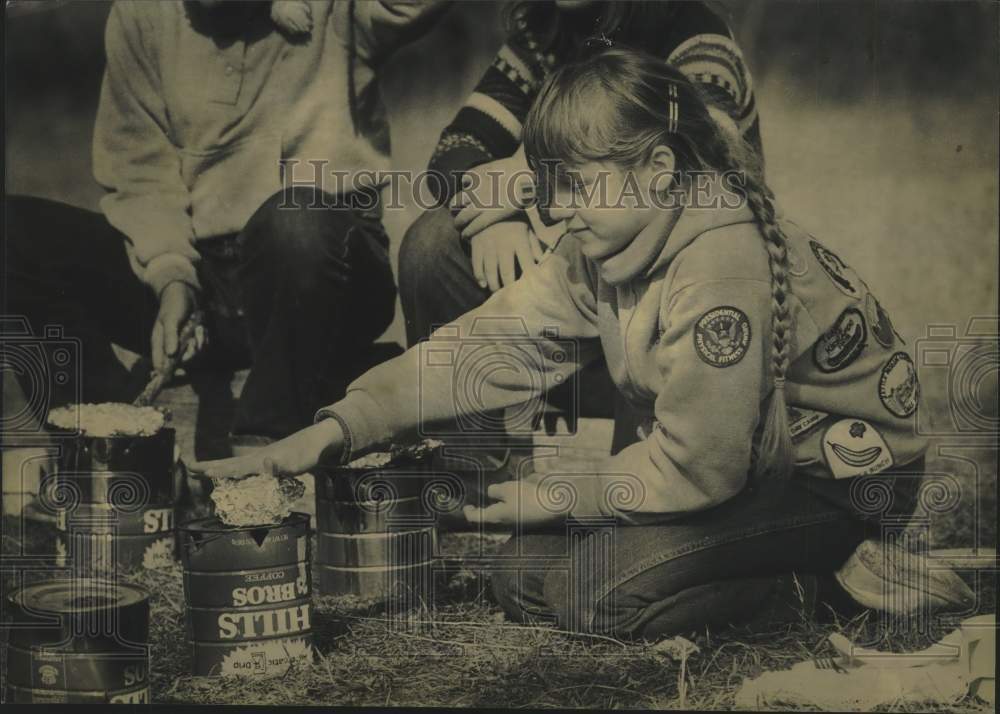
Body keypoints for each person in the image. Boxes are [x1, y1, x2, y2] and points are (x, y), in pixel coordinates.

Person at [193, 47, 973, 639]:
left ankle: (821, 583)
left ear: (659, 170)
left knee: (593, 593)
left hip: (837, 476)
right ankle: (738, 567)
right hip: (738, 469)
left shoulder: (720, 264)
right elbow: (487, 345)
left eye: (575, 183)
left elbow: (702, 466)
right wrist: (339, 425)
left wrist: (558, 494)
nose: (557, 208)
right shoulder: (602, 248)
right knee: (520, 574)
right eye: (547, 184)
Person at [4, 0, 445, 448]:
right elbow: (141, 172)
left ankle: (260, 452)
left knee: (295, 218)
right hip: (206, 279)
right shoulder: (142, 14)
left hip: (326, 274)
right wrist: (172, 276)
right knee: (13, 232)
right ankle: (114, 444)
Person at [398, 0, 762, 470]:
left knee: (649, 266)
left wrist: (525, 177)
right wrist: (494, 219)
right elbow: (455, 150)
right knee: (436, 242)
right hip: (582, 295)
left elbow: (696, 169)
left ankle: (650, 476)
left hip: (677, 314)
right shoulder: (547, 31)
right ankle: (476, 476)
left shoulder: (693, 34)